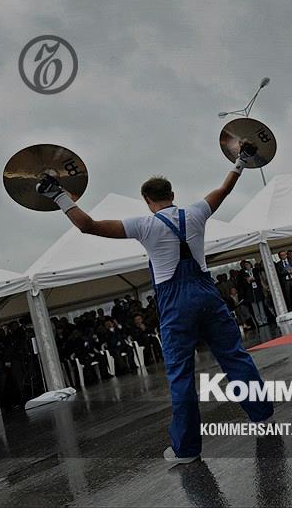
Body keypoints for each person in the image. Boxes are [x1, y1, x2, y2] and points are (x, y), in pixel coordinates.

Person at [35, 147, 274, 464]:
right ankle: (262, 416)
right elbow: (225, 188)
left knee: (181, 375)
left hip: (175, 303)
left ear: (147, 200)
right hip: (207, 294)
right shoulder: (197, 212)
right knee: (235, 357)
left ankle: (186, 449)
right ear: (172, 195)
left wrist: (59, 196)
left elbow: (88, 225)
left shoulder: (145, 225)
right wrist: (241, 161)